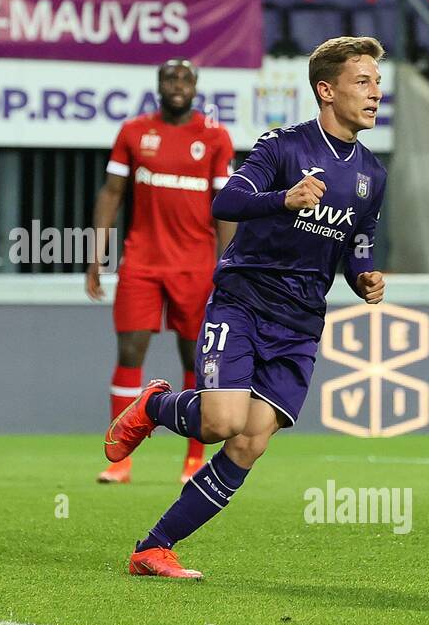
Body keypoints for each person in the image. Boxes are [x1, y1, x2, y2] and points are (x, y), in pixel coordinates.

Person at [104, 37, 388, 577]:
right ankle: (156, 405)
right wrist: (284, 197)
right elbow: (227, 201)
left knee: (250, 441)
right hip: (244, 302)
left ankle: (153, 547)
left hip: (301, 322)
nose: (375, 93)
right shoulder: (283, 147)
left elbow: (359, 242)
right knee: (220, 422)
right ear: (326, 91)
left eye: (377, 83)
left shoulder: (371, 174)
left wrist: (363, 276)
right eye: (363, 82)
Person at [87, 59, 236, 485]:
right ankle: (120, 460)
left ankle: (193, 463)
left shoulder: (214, 136)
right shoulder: (134, 132)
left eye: (185, 79)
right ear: (158, 85)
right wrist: (96, 253)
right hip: (142, 263)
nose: (177, 85)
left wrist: (227, 264)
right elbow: (111, 192)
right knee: (129, 353)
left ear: (196, 87)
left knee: (196, 360)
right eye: (170, 78)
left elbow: (225, 207)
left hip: (195, 266)